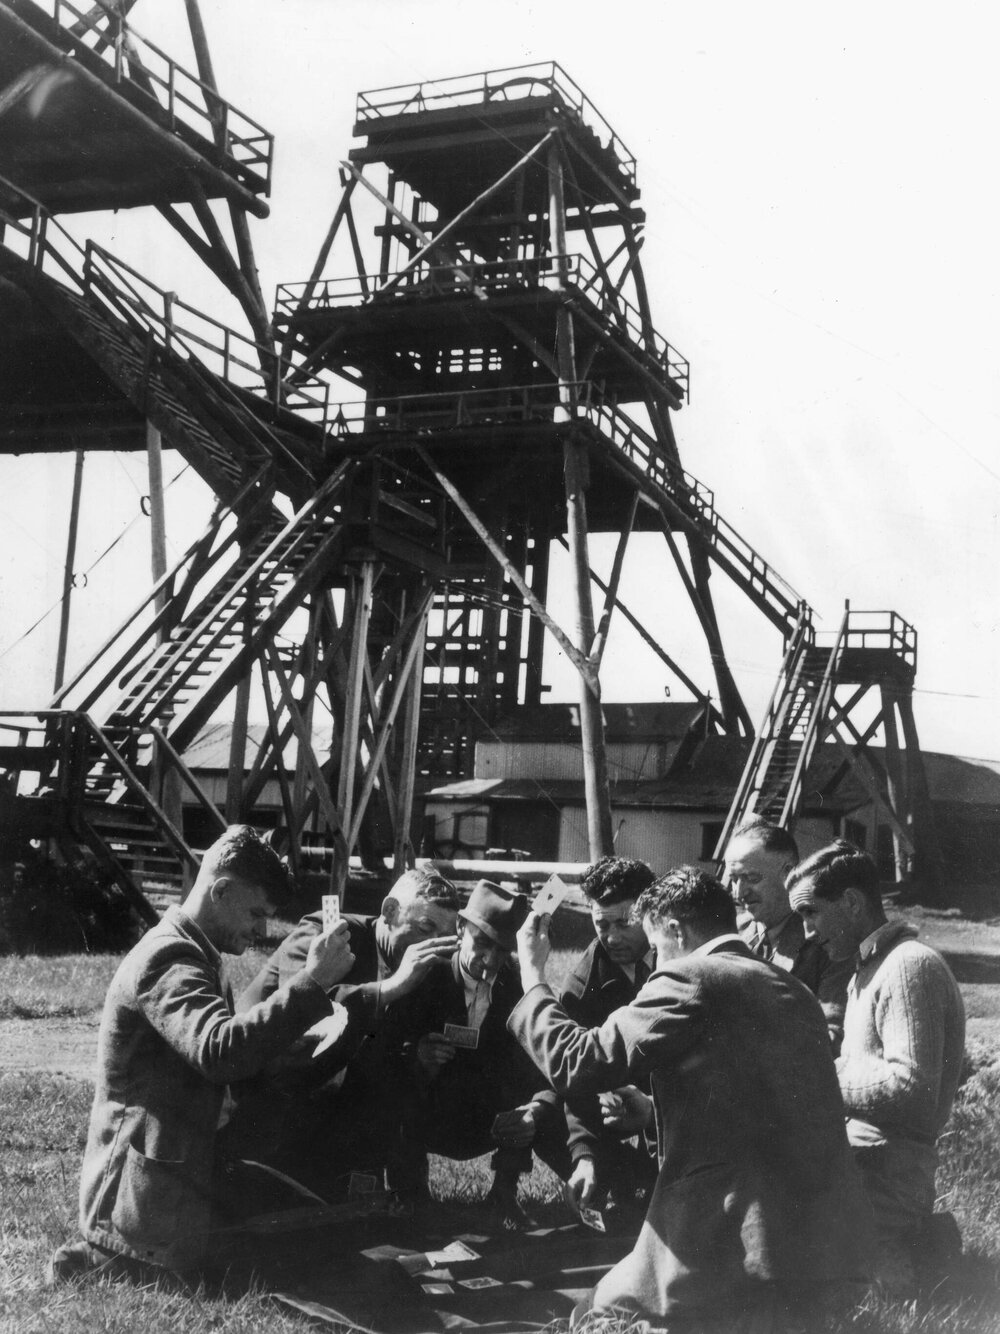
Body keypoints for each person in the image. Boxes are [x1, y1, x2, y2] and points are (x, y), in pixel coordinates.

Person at [510, 866, 871, 1331]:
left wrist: (532, 976)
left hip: (735, 1239)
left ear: (676, 931)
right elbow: (749, 1101)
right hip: (821, 1243)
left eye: (657, 948)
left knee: (594, 1314)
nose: (656, 963)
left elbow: (577, 1062)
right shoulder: (793, 990)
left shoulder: (690, 977)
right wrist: (650, 1112)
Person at [49, 825, 356, 1285]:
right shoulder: (168, 957)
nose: (261, 930)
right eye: (256, 913)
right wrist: (310, 983)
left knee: (318, 1231)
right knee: (283, 1265)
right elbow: (218, 1052)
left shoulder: (196, 951)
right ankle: (93, 1258)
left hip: (184, 1164)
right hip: (144, 1195)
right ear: (221, 890)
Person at [787, 840, 966, 1294]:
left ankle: (912, 1253)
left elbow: (911, 1087)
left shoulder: (908, 968)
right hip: (863, 1160)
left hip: (889, 1171)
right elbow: (857, 1065)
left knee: (795, 1271)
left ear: (850, 902)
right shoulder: (868, 971)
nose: (807, 931)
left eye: (812, 912)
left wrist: (818, 1081)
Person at [221, 867, 459, 1198]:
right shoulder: (327, 932)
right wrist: (391, 987)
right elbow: (305, 1018)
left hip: (337, 1104)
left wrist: (419, 1052)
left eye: (443, 936)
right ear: (389, 911)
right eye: (425, 928)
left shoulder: (427, 968)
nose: (431, 946)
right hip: (264, 1094)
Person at [397, 879, 572, 1227]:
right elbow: (391, 1046)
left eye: (502, 950)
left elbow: (543, 1064)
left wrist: (533, 1112)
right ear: (461, 928)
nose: (490, 960)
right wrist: (418, 1055)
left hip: (488, 1111)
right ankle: (411, 1192)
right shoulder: (425, 975)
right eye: (481, 943)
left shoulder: (520, 985)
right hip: (432, 1107)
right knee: (397, 1090)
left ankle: (503, 1193)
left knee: (532, 1098)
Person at [559, 855, 658, 1215]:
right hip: (612, 1095)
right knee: (545, 1107)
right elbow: (573, 1076)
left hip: (670, 1096)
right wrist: (585, 1155)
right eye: (602, 924)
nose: (613, 938)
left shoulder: (682, 956)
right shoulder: (582, 983)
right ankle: (615, 1177)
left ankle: (654, 1180)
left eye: (624, 923)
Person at [724, 816, 853, 1049]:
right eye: (733, 880)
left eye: (751, 878)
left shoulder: (827, 941)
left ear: (789, 874)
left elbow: (831, 1036)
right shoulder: (731, 932)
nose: (739, 892)